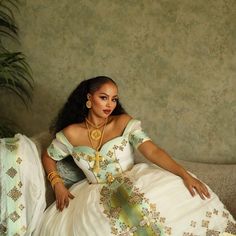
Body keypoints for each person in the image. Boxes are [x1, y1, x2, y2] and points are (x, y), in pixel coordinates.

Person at [36, 76, 235, 235]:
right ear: (89, 99)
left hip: (136, 183)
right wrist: (57, 183)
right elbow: (48, 157)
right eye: (103, 97)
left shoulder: (122, 122)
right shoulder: (71, 133)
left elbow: (153, 151)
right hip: (93, 196)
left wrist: (185, 175)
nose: (110, 104)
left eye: (114, 99)